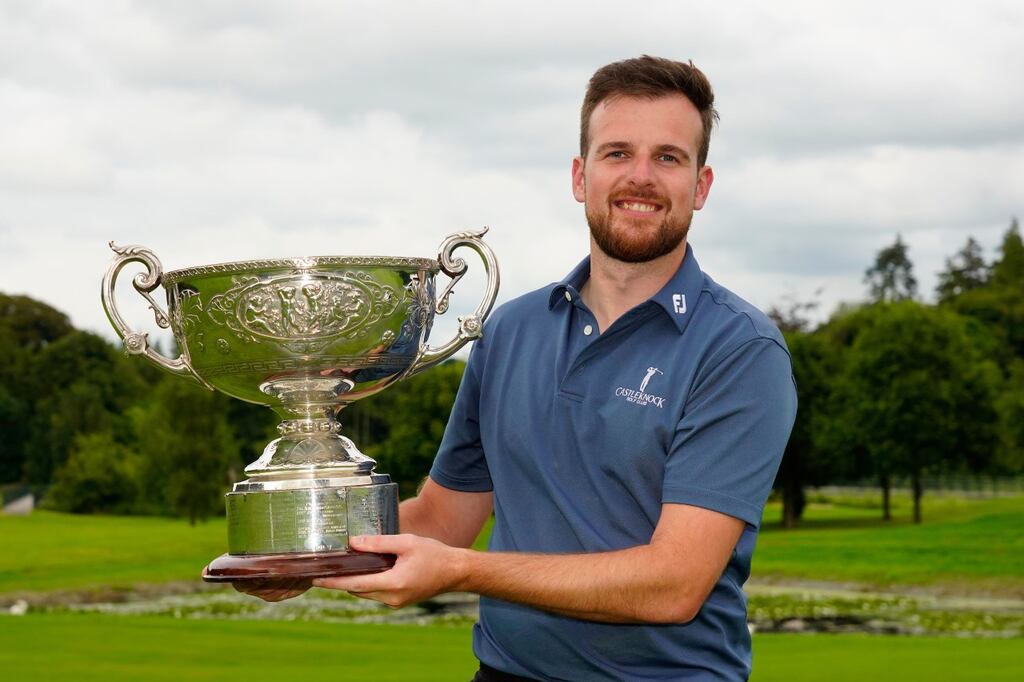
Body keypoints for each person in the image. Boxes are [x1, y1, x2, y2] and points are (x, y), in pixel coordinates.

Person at [315, 56, 797, 681]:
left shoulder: (739, 349)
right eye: (617, 153)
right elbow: (442, 520)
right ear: (580, 174)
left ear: (701, 186)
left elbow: (672, 584)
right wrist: (300, 549)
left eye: (669, 158)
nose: (641, 178)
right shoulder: (511, 331)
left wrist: (462, 571)